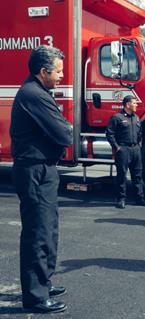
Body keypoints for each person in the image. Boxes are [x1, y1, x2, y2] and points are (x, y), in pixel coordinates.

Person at [10, 45, 73, 313]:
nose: (61, 75)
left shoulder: (40, 93)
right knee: (37, 233)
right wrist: (64, 129)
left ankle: (43, 282)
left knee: (49, 230)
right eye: (58, 71)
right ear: (42, 71)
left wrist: (63, 129)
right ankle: (35, 297)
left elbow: (62, 130)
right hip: (34, 170)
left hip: (44, 169)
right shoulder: (33, 94)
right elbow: (64, 134)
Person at [106, 95, 145, 209]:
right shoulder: (117, 117)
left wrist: (139, 145)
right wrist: (117, 148)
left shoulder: (136, 118)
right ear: (127, 104)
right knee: (122, 175)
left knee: (137, 176)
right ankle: (121, 199)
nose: (136, 105)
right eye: (134, 103)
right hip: (123, 149)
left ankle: (139, 198)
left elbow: (140, 133)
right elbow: (109, 134)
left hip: (135, 150)